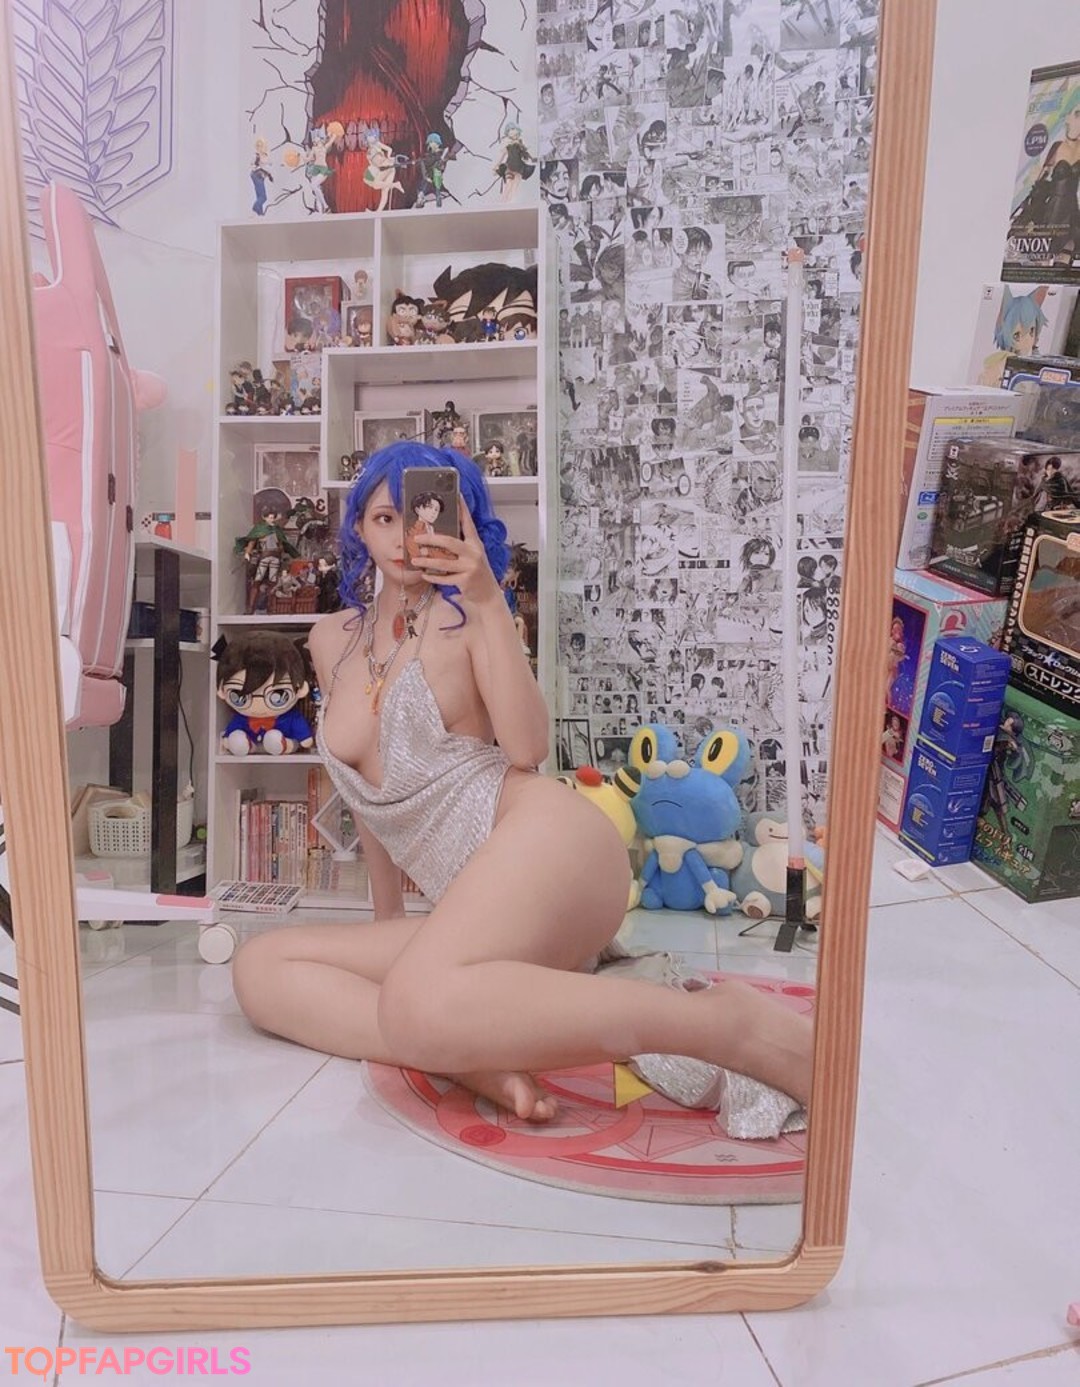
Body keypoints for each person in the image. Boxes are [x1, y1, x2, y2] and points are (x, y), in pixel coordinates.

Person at [232, 443, 812, 1122]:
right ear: (358, 525)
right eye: (385, 518)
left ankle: (720, 1025)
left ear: (463, 525)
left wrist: (485, 600)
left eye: (424, 519)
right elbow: (373, 802)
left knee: (414, 999)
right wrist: (388, 924)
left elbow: (529, 748)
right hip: (473, 916)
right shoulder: (329, 638)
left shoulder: (470, 622)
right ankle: (466, 1052)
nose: (404, 537)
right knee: (260, 969)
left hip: (550, 848)